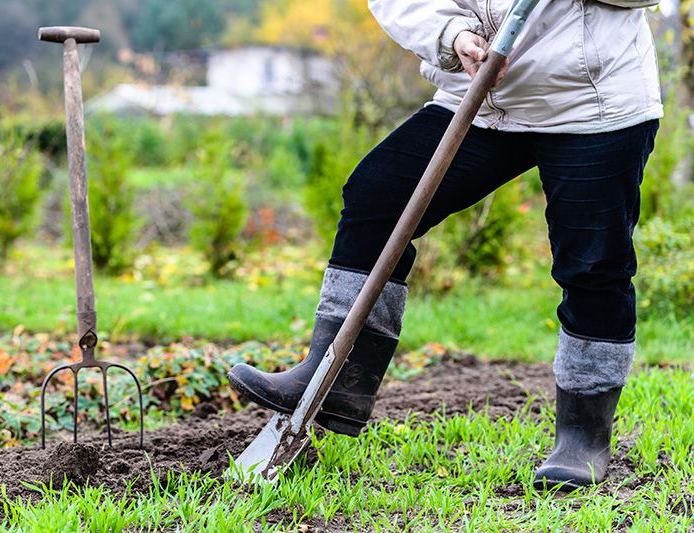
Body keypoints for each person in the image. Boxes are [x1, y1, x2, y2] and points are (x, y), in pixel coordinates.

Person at [228, 0, 663, 490]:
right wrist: (450, 34)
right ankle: (336, 376)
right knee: (379, 196)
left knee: (591, 262)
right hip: (480, 95)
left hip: (590, 104)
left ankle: (583, 436)